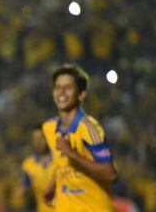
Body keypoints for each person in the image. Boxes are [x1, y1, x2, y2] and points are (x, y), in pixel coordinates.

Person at [42, 64, 118, 212]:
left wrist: (72, 154)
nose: (61, 92)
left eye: (68, 88)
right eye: (58, 87)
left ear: (81, 94)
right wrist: (51, 186)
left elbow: (110, 174)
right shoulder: (49, 127)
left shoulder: (89, 129)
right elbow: (61, 164)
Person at [20, 124, 55, 212]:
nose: (38, 142)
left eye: (41, 138)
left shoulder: (59, 159)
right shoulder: (28, 164)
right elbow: (24, 189)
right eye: (35, 139)